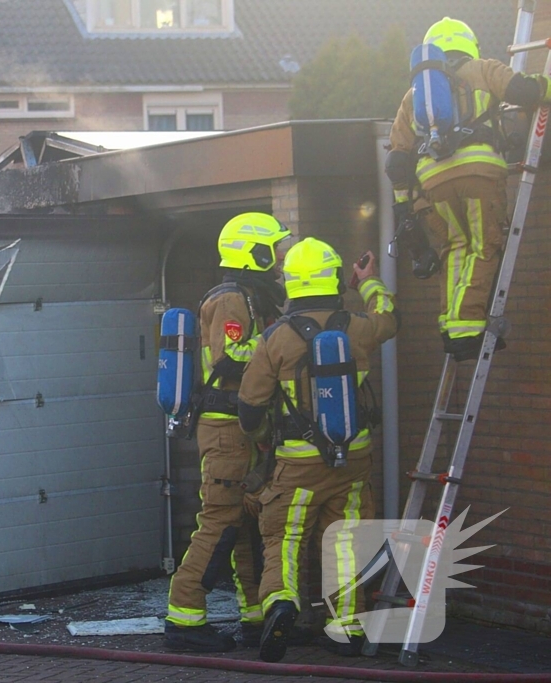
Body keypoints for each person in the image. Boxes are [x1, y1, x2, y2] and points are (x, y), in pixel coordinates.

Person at [237, 239, 397, 662]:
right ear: (331, 277)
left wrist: (262, 438)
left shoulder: (275, 339)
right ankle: (346, 626)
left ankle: (281, 602)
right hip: (353, 458)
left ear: (291, 281)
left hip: (298, 464)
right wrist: (369, 282)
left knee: (284, 538)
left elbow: (250, 407)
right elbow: (390, 319)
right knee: (344, 540)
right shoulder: (358, 327)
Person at [387, 17, 551, 361]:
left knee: (456, 248)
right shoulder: (482, 69)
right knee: (484, 246)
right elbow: (524, 91)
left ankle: (451, 325)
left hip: (433, 184)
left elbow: (397, 163)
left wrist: (403, 206)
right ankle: (466, 327)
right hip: (479, 175)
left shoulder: (413, 96)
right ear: (468, 45)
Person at [164, 213, 292, 653]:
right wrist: (277, 341)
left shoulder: (253, 296)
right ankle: (184, 620)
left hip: (241, 429)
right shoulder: (230, 300)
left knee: (243, 524)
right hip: (224, 432)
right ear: (252, 252)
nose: (277, 258)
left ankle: (255, 617)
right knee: (219, 522)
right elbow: (229, 358)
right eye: (272, 250)